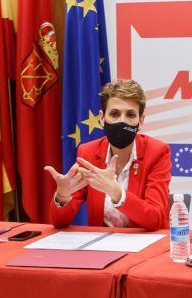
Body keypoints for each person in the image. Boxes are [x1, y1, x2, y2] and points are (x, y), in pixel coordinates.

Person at [46, 79, 172, 230]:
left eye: (130, 115)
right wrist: (62, 196)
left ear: (141, 121)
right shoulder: (88, 153)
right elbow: (59, 223)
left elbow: (155, 219)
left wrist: (117, 193)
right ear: (102, 118)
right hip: (102, 248)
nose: (122, 122)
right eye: (114, 114)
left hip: (146, 248)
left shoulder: (157, 152)